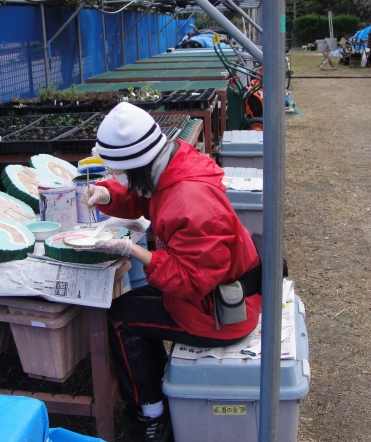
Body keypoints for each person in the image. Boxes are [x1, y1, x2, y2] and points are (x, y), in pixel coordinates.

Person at [83, 102, 262, 442]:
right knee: (130, 307)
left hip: (221, 312)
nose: (120, 178)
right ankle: (155, 389)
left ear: (137, 164)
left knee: (122, 320)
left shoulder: (190, 199)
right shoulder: (173, 166)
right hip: (215, 293)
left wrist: (134, 250)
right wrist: (108, 193)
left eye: (120, 173)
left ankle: (150, 414)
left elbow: (190, 280)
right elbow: (146, 197)